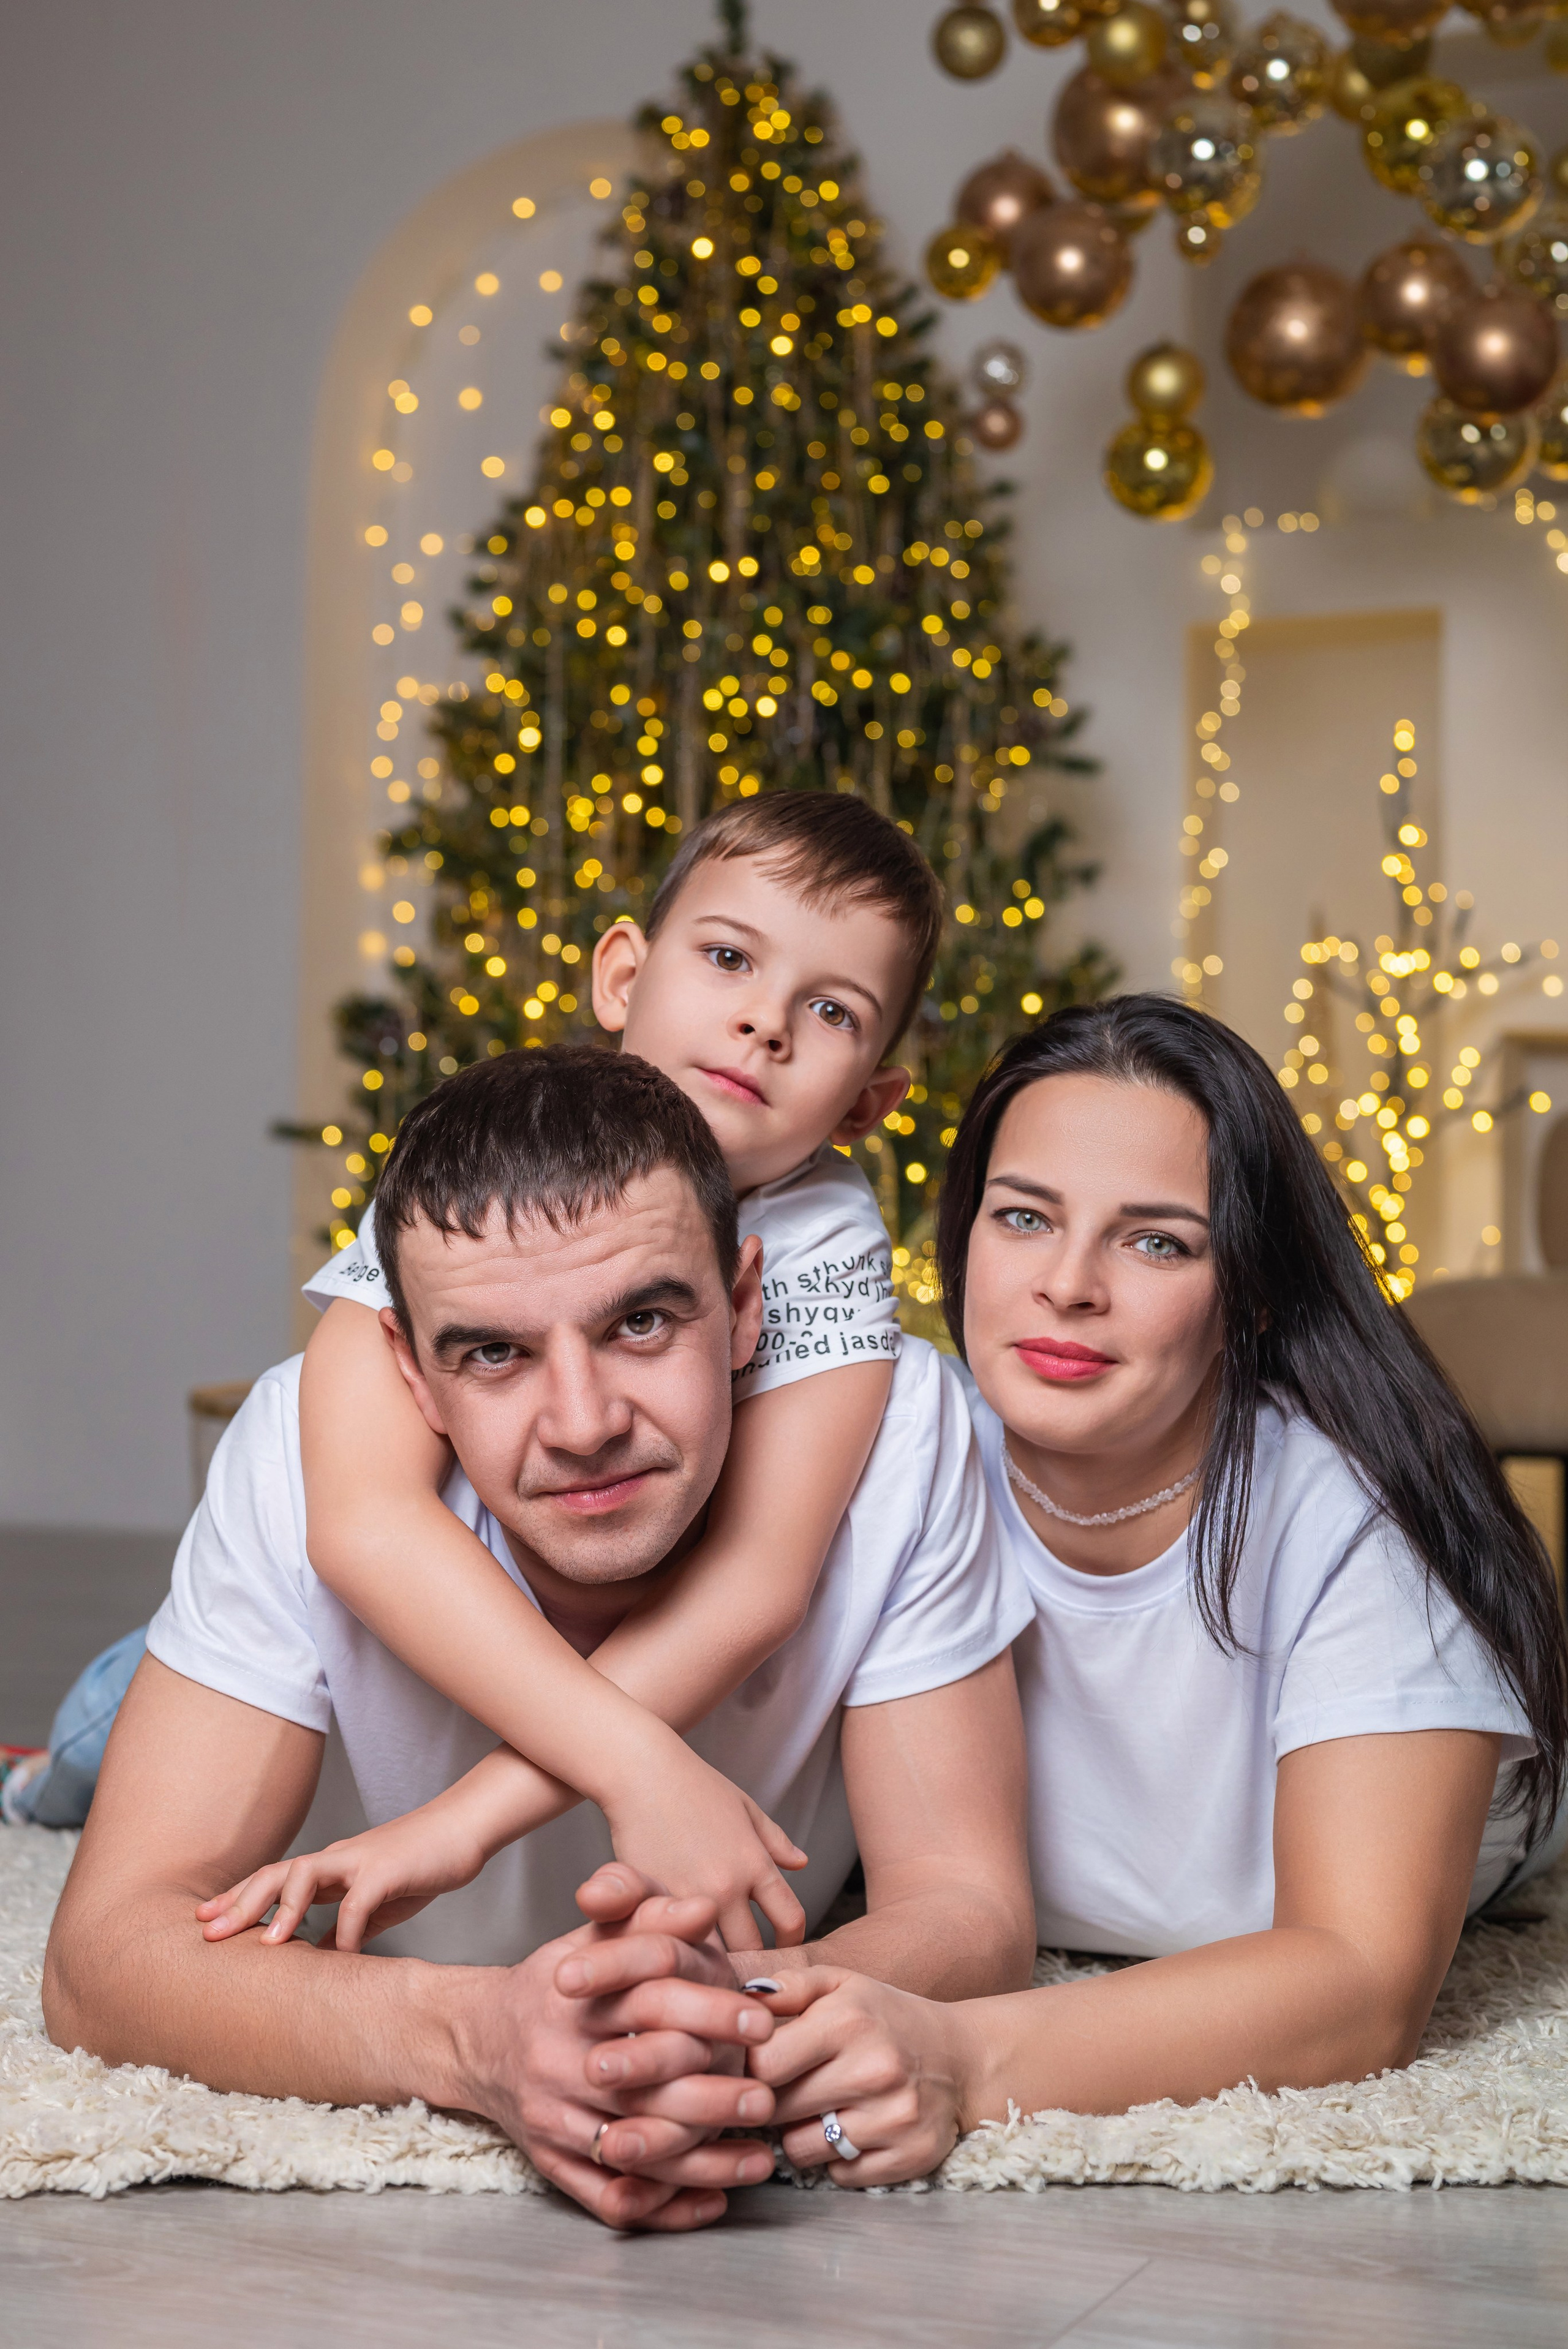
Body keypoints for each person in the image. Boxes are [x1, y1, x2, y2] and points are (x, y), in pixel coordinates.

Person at [43, 1044, 1036, 2231]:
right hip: (195, 1690)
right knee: (84, 1754)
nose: (583, 1425)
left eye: (642, 1320)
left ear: (743, 1305)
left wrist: (710, 2012)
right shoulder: (294, 1455)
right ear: (409, 1372)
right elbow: (97, 1962)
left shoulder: (898, 1432)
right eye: (494, 1353)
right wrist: (471, 2037)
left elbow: (972, 1908)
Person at [653, 995, 1568, 2187]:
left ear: (1244, 1289)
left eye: (1155, 1241)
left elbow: (1361, 1985)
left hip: (1494, 1844)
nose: (1066, 1285)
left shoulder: (1349, 1509)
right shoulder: (883, 1449)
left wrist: (963, 2056)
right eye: (1023, 1217)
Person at [13, 793, 939, 1923]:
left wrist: (467, 1820)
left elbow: (754, 1585)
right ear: (621, 978)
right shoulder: (497, 1175)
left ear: (870, 1105)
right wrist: (637, 1763)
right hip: (298, 1631)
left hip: (534, 1647)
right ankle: (43, 1771)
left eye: (832, 1011)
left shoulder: (831, 1238)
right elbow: (363, 1520)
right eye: (729, 957)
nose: (764, 1024)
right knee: (102, 1744)